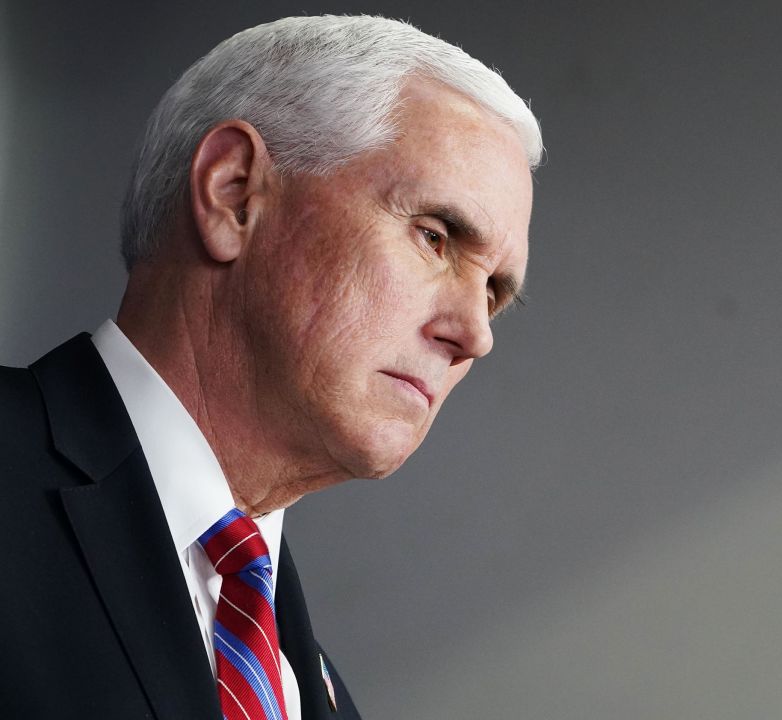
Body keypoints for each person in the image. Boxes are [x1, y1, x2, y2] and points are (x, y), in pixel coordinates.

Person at [0, 15, 541, 719]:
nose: (475, 335)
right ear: (234, 194)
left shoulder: (313, 690)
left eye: (495, 292)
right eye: (435, 238)